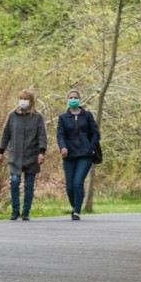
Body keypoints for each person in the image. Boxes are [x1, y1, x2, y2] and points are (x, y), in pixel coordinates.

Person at [0, 89, 47, 221]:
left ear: (31, 101)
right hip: (15, 156)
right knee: (14, 182)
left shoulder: (38, 117)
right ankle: (15, 210)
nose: (23, 101)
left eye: (26, 99)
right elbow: (6, 134)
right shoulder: (12, 116)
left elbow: (42, 136)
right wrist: (1, 151)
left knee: (29, 185)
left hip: (32, 156)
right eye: (21, 98)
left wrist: (42, 152)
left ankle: (26, 211)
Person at [56, 88, 100, 221]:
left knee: (77, 183)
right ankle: (75, 205)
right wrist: (63, 147)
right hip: (69, 155)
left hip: (85, 154)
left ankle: (77, 211)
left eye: (75, 97)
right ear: (67, 100)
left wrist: (91, 146)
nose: (73, 99)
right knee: (70, 186)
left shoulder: (87, 115)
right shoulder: (63, 117)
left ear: (79, 99)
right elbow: (60, 134)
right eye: (71, 97)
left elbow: (96, 133)